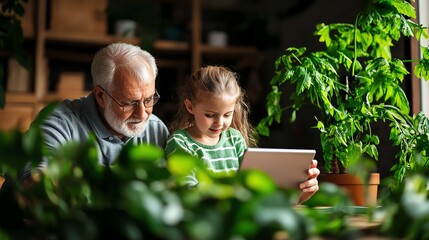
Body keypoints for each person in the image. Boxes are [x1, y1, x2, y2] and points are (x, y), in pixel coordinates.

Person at [165, 65, 319, 203]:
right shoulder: (180, 142)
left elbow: (252, 189)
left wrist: (300, 193)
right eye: (210, 115)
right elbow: (186, 194)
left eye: (227, 115)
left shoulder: (235, 139)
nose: (219, 123)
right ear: (190, 106)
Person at [30, 42, 169, 166]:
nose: (142, 114)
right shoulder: (59, 123)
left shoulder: (155, 131)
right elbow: (36, 180)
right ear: (101, 96)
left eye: (149, 100)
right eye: (130, 102)